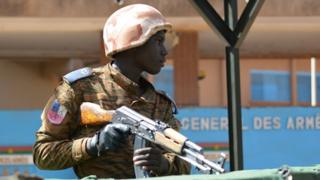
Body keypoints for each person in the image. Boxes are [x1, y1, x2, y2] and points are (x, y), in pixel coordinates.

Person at [32, 4, 190, 179]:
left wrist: (164, 164)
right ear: (134, 42)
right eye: (158, 41)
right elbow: (42, 154)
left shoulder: (160, 103)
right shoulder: (78, 89)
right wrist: (93, 144)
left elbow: (184, 161)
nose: (165, 51)